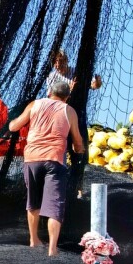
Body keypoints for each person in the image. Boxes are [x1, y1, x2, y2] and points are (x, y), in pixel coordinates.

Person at [9, 81, 84, 256]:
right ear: (67, 97)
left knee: (33, 202)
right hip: (54, 160)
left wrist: (13, 121)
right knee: (54, 206)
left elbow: (14, 126)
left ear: (49, 92)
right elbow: (78, 141)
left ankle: (33, 240)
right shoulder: (69, 111)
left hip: (32, 158)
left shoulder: (35, 104)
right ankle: (52, 249)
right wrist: (78, 149)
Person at [47, 49, 102, 200]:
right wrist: (68, 91)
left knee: (79, 154)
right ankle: (59, 188)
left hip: (77, 117)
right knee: (60, 154)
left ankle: (78, 189)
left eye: (62, 61)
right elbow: (52, 100)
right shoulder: (52, 77)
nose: (59, 64)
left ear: (66, 60)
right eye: (56, 62)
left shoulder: (75, 72)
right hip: (61, 119)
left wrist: (96, 84)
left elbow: (91, 85)